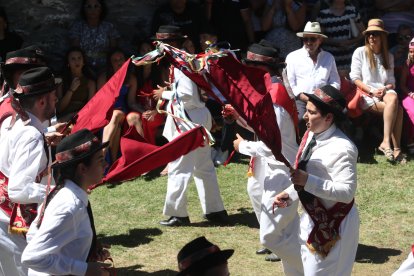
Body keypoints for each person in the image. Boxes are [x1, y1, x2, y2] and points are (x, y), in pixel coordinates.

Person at [274, 84, 359, 275]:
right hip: (311, 220)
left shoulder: (342, 148)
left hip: (335, 226)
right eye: (306, 110)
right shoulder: (311, 135)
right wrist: (290, 194)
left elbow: (346, 193)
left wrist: (307, 181)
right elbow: (305, 174)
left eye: (311, 113)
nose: (305, 116)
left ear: (329, 117)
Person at [233, 42, 302, 270]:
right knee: (254, 189)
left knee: (278, 209)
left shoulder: (275, 96)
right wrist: (237, 117)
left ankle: (283, 246)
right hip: (269, 162)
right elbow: (260, 127)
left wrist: (243, 147)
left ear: (264, 69)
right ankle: (278, 241)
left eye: (252, 66)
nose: (247, 70)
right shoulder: (269, 91)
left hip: (281, 165)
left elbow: (273, 144)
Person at [153, 28, 228, 226]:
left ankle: (178, 214)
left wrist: (165, 95)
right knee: (203, 167)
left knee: (179, 166)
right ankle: (215, 211)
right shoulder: (186, 61)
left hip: (188, 121)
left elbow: (187, 96)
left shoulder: (181, 64)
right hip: (195, 118)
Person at [21, 129, 111, 276]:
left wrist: (88, 249)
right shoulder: (69, 206)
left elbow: (34, 234)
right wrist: (84, 269)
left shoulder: (64, 193)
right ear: (82, 168)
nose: (106, 165)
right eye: (100, 160)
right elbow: (32, 257)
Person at [0, 67, 61, 276]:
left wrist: (46, 135)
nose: (57, 99)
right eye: (53, 95)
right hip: (11, 225)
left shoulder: (13, 122)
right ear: (42, 101)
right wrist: (56, 192)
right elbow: (18, 189)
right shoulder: (31, 136)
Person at [349, 18, 406, 164]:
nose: (371, 37)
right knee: (397, 110)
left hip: (385, 92)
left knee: (393, 99)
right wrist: (372, 91)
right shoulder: (360, 52)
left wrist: (384, 88)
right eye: (369, 34)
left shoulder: (389, 56)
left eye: (375, 34)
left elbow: (391, 82)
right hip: (366, 93)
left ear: (383, 36)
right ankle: (396, 149)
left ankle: (386, 142)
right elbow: (355, 79)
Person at [285, 21, 340, 136]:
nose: (309, 42)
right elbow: (290, 83)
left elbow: (335, 81)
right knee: (299, 119)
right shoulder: (292, 57)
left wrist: (326, 96)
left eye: (313, 39)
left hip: (324, 100)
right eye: (306, 39)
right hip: (300, 99)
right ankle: (301, 144)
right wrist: (303, 96)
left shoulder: (328, 57)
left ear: (320, 40)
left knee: (339, 115)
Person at [97, 48, 137, 163]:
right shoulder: (103, 78)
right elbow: (99, 102)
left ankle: (103, 153)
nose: (119, 62)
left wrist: (143, 110)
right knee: (117, 127)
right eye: (115, 60)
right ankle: (113, 162)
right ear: (110, 63)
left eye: (121, 59)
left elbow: (131, 102)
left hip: (122, 109)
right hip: (106, 111)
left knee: (117, 113)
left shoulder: (131, 78)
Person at [69, 0, 120, 77]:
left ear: (101, 9)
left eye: (96, 6)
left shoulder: (109, 27)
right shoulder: (78, 27)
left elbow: (114, 51)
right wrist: (85, 67)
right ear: (84, 9)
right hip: (83, 66)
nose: (93, 10)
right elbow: (75, 51)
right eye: (89, 6)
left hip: (105, 66)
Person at [316, 0, 365, 77]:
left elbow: (363, 32)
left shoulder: (352, 11)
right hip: (331, 59)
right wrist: (337, 43)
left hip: (351, 58)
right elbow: (319, 37)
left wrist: (349, 42)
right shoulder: (323, 14)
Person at [56, 46, 96, 122]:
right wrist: (71, 90)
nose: (76, 61)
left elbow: (91, 108)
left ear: (83, 62)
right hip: (63, 117)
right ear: (68, 63)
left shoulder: (90, 83)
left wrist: (74, 115)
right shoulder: (61, 81)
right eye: (73, 59)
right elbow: (59, 108)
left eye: (79, 58)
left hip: (81, 117)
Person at [399, 37, 414, 154]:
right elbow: (402, 84)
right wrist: (410, 93)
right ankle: (410, 141)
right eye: (411, 51)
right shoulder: (407, 64)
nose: (412, 53)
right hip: (408, 94)